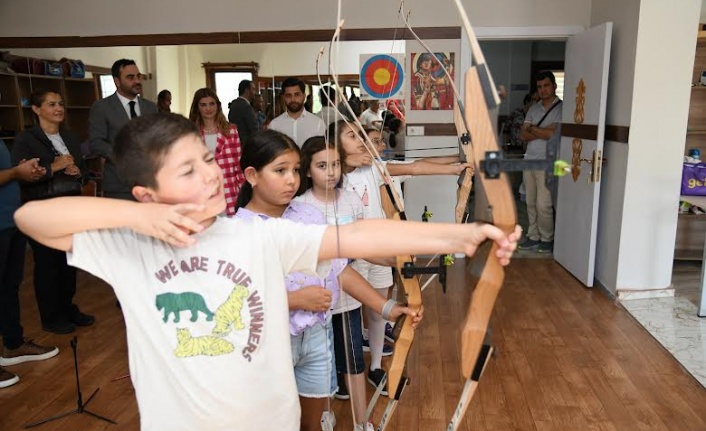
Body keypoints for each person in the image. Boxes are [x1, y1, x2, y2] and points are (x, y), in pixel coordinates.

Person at [14, 112, 519, 431]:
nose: (212, 174)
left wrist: (462, 234)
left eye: (209, 159)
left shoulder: (255, 233)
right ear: (149, 192)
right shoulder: (129, 248)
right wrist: (137, 216)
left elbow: (357, 237)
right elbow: (31, 218)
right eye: (189, 171)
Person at [329, 119, 470, 393]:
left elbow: (416, 167)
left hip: (379, 249)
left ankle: (376, 367)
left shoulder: (374, 168)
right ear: (335, 145)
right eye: (352, 135)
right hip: (349, 257)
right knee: (346, 315)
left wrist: (457, 167)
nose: (361, 140)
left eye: (362, 136)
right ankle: (346, 371)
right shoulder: (332, 177)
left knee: (378, 310)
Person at [293, 136, 379, 431]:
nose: (331, 172)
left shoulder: (352, 199)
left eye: (336, 165)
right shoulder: (299, 206)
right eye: (321, 166)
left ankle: (361, 420)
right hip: (315, 304)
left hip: (348, 299)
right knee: (322, 362)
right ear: (307, 170)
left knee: (355, 360)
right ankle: (323, 413)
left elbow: (365, 243)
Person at [11, 89, 93, 334]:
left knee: (68, 262)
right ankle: (51, 316)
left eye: (60, 103)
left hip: (69, 207)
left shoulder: (69, 136)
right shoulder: (26, 140)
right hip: (42, 210)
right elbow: (22, 176)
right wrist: (54, 167)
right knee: (48, 264)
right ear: (36, 110)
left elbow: (85, 171)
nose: (58, 108)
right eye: (51, 104)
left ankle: (67, 307)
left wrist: (79, 173)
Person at [0, 141, 58, 388]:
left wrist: (22, 171)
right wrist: (15, 172)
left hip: (10, 221)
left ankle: (13, 345)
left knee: (9, 286)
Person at [88, 58, 158, 200]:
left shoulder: (150, 107)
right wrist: (124, 157)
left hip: (150, 184)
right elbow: (96, 143)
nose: (137, 81)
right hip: (119, 185)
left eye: (138, 76)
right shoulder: (102, 107)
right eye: (130, 77)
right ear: (117, 81)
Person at [519, 71, 562, 253]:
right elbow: (523, 134)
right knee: (530, 201)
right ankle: (533, 235)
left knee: (543, 204)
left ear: (554, 86)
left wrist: (533, 129)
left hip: (548, 162)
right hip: (529, 160)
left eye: (546, 85)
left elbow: (553, 135)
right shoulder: (533, 108)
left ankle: (547, 238)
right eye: (539, 87)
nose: (543, 90)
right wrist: (542, 130)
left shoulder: (562, 108)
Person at [188, 88, 245, 216]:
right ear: (197, 107)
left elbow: (238, 165)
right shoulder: (191, 133)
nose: (208, 108)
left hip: (228, 189)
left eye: (212, 104)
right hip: (201, 190)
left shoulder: (231, 130)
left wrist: (243, 191)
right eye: (203, 105)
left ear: (218, 106)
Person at [268, 77, 326, 147]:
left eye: (297, 95)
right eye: (288, 95)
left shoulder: (318, 124)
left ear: (304, 96)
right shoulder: (274, 125)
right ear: (283, 98)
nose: (293, 99)